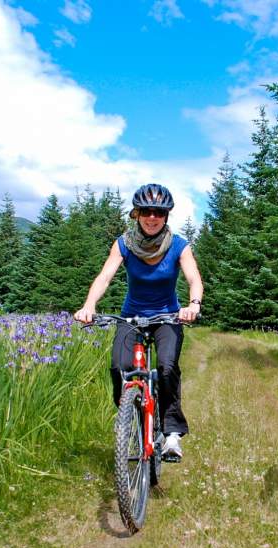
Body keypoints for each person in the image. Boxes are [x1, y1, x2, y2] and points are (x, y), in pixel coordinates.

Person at [74, 183, 203, 461]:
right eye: (146, 211)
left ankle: (170, 434)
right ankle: (129, 417)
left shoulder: (179, 246)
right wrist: (89, 305)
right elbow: (105, 277)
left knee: (166, 367)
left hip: (168, 317)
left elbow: (194, 278)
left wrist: (193, 305)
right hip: (131, 315)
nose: (152, 217)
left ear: (166, 215)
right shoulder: (124, 244)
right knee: (119, 367)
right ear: (137, 213)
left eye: (158, 212)